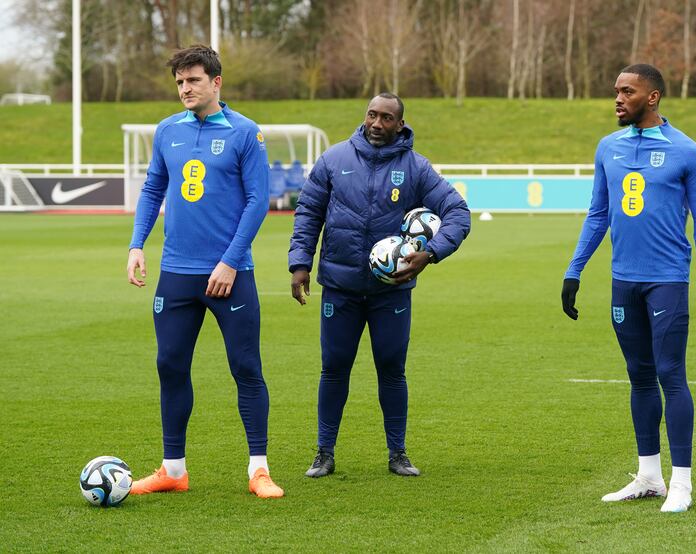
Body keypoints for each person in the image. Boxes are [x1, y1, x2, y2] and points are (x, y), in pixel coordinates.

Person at [561, 64, 696, 513]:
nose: (617, 98)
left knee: (670, 373)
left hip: (667, 280)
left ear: (652, 98)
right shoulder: (607, 147)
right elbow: (598, 214)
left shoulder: (687, 152)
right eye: (615, 90)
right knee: (638, 376)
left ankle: (682, 483)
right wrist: (574, 271)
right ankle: (649, 476)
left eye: (626, 91)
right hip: (623, 281)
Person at [126, 45, 283, 499]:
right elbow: (154, 187)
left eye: (193, 80)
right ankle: (173, 469)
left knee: (245, 368)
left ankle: (259, 469)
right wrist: (137, 244)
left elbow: (258, 202)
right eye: (179, 82)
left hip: (230, 273)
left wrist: (231, 261)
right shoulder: (166, 131)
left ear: (216, 82)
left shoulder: (244, 133)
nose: (184, 89)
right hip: (176, 272)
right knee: (169, 365)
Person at [289, 93, 471, 478]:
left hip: (391, 292)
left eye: (386, 118)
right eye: (372, 114)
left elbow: (458, 212)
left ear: (400, 125)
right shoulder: (334, 159)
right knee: (334, 368)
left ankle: (398, 453)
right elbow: (309, 211)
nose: (376, 123)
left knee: (392, 368)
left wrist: (432, 252)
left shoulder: (417, 168)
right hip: (340, 286)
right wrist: (300, 263)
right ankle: (324, 452)